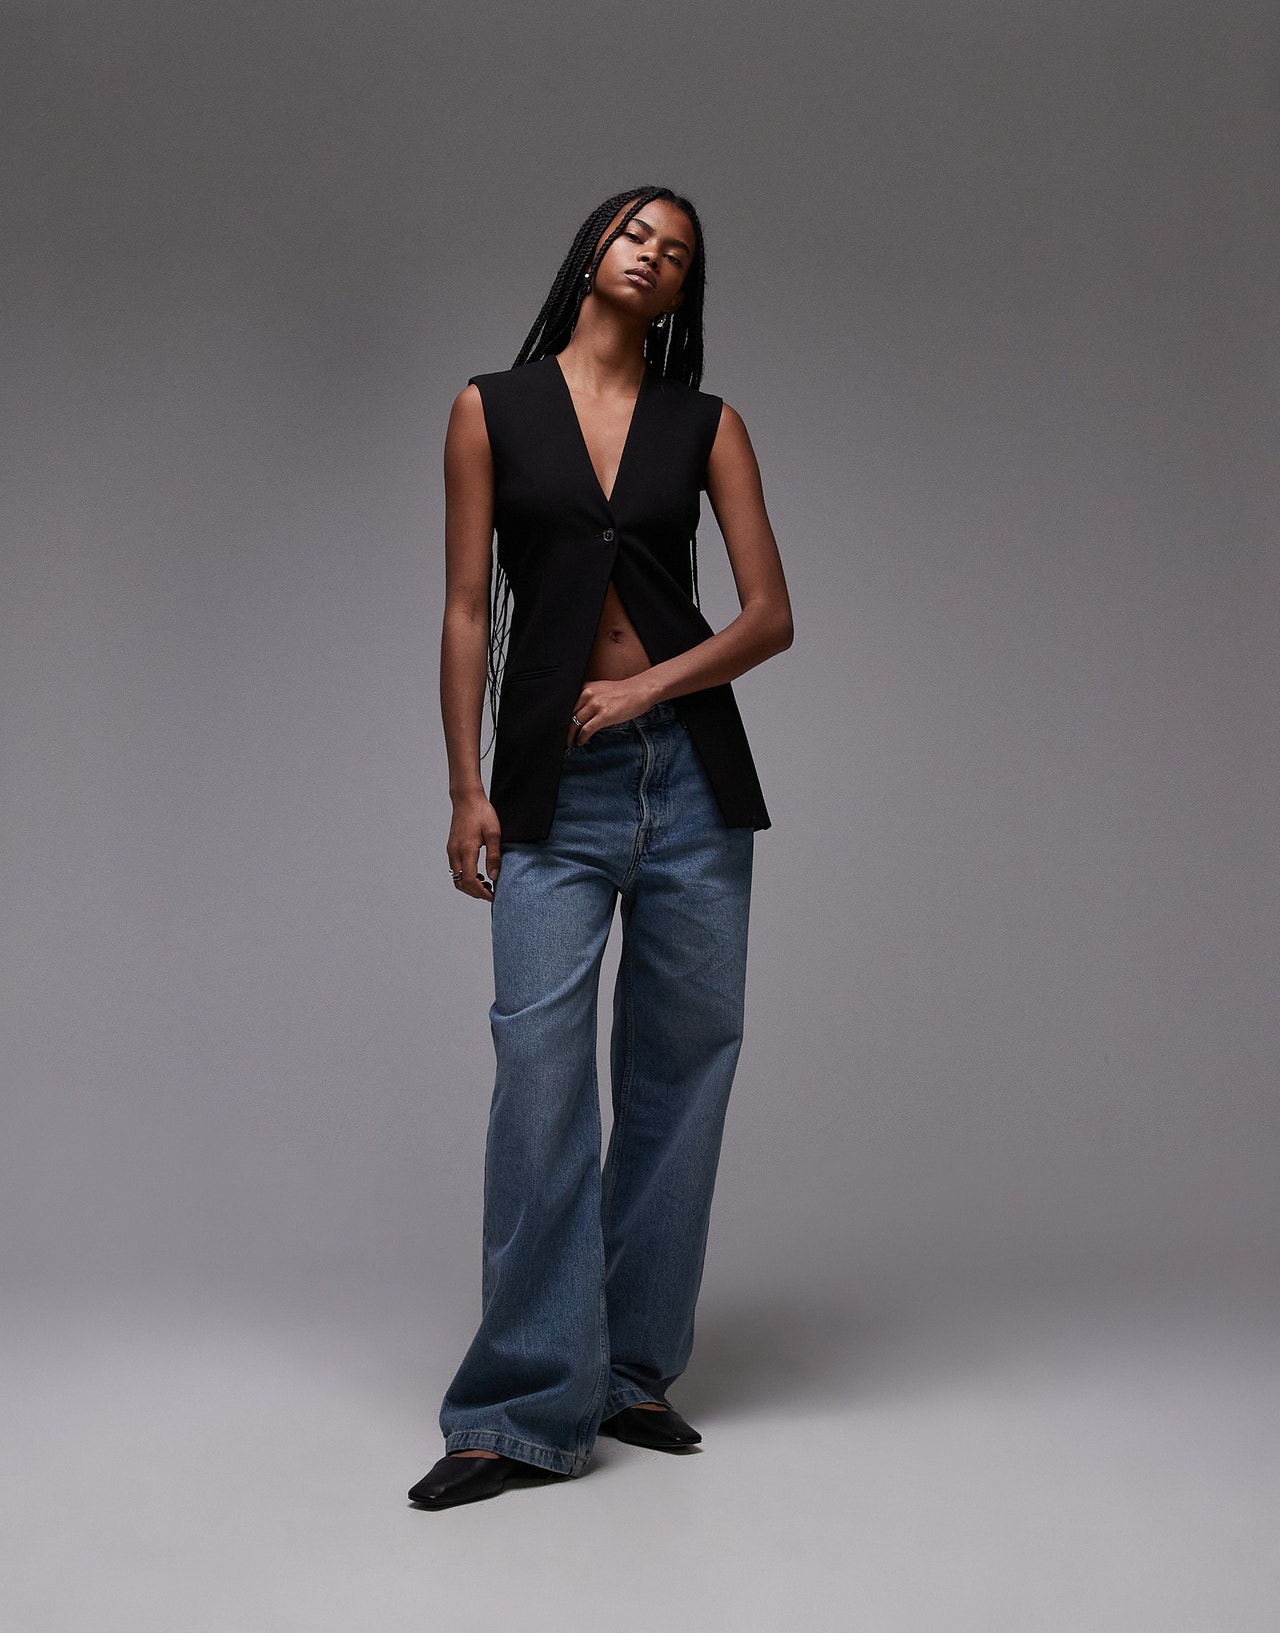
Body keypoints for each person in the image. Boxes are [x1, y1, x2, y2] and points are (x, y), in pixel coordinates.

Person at [409, 185, 793, 1510]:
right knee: (541, 1076)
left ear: (684, 290)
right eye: (638, 233)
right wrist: (466, 786)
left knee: (685, 1070)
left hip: (691, 780)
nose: (654, 255)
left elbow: (769, 616)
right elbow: (468, 610)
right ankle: (521, 1407)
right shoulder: (490, 410)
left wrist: (643, 692)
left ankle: (629, 1367)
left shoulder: (708, 424)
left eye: (678, 252)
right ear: (592, 249)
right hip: (550, 790)